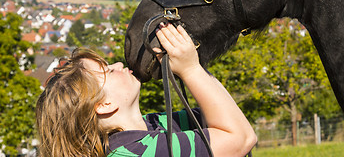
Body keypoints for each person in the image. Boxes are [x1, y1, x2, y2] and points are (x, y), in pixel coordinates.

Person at [36, 23, 257, 157]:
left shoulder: (154, 125)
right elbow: (241, 138)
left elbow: (226, 120)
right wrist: (189, 70)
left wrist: (188, 60)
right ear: (103, 105)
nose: (117, 65)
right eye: (109, 72)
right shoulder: (136, 153)